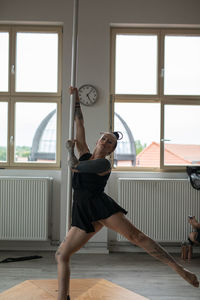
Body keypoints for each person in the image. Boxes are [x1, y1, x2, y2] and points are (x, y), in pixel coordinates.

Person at [55, 88, 199, 300]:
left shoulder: (103, 163)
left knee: (137, 237)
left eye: (110, 142)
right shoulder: (86, 154)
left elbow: (74, 167)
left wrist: (69, 151)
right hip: (83, 211)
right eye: (104, 138)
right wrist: (76, 100)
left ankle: (180, 270)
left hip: (100, 207)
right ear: (98, 141)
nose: (105, 142)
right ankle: (63, 297)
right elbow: (79, 124)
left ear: (112, 150)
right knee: (61, 255)